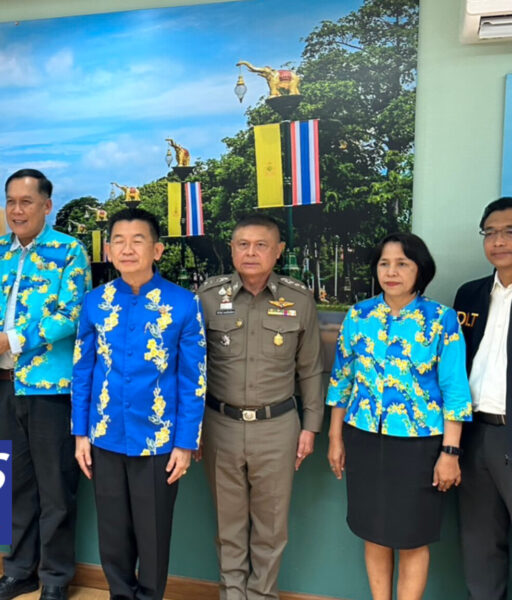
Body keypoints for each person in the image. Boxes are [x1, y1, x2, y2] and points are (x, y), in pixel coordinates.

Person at [327, 232, 471, 600]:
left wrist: (450, 452)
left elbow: (455, 391)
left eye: (402, 264)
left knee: (412, 537)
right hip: (363, 437)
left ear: (420, 269)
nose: (391, 272)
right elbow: (342, 379)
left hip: (419, 445)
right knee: (373, 532)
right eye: (384, 264)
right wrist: (335, 437)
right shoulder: (359, 315)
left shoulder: (441, 319)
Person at [72, 208, 205, 600]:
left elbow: (194, 379)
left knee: (153, 534)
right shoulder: (94, 302)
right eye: (119, 241)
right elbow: (83, 371)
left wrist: (185, 443)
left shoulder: (184, 304)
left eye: (138, 240)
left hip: (159, 440)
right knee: (112, 534)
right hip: (104, 435)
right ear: (108, 250)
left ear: (157, 250)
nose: (127, 249)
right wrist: (80, 434)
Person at [0, 168, 91, 600]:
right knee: (14, 486)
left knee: (55, 489)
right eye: (11, 201)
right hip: (0, 385)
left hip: (49, 389)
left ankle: (55, 578)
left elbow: (73, 313)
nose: (17, 210)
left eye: (26, 202)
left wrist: (13, 339)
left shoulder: (69, 250)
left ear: (46, 205)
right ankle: (19, 571)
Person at [196, 213, 322, 600]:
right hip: (220, 424)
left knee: (271, 527)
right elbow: (192, 367)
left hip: (277, 427)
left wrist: (311, 426)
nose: (251, 252)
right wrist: (192, 428)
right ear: (231, 249)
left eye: (261, 245)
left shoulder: (298, 299)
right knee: (228, 526)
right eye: (243, 244)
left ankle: (263, 595)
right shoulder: (207, 297)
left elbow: (310, 368)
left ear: (278, 250)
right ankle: (232, 594)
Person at [453, 197, 512, 600]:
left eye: (508, 231)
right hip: (475, 435)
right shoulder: (470, 295)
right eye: (490, 232)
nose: (498, 241)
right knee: (480, 545)